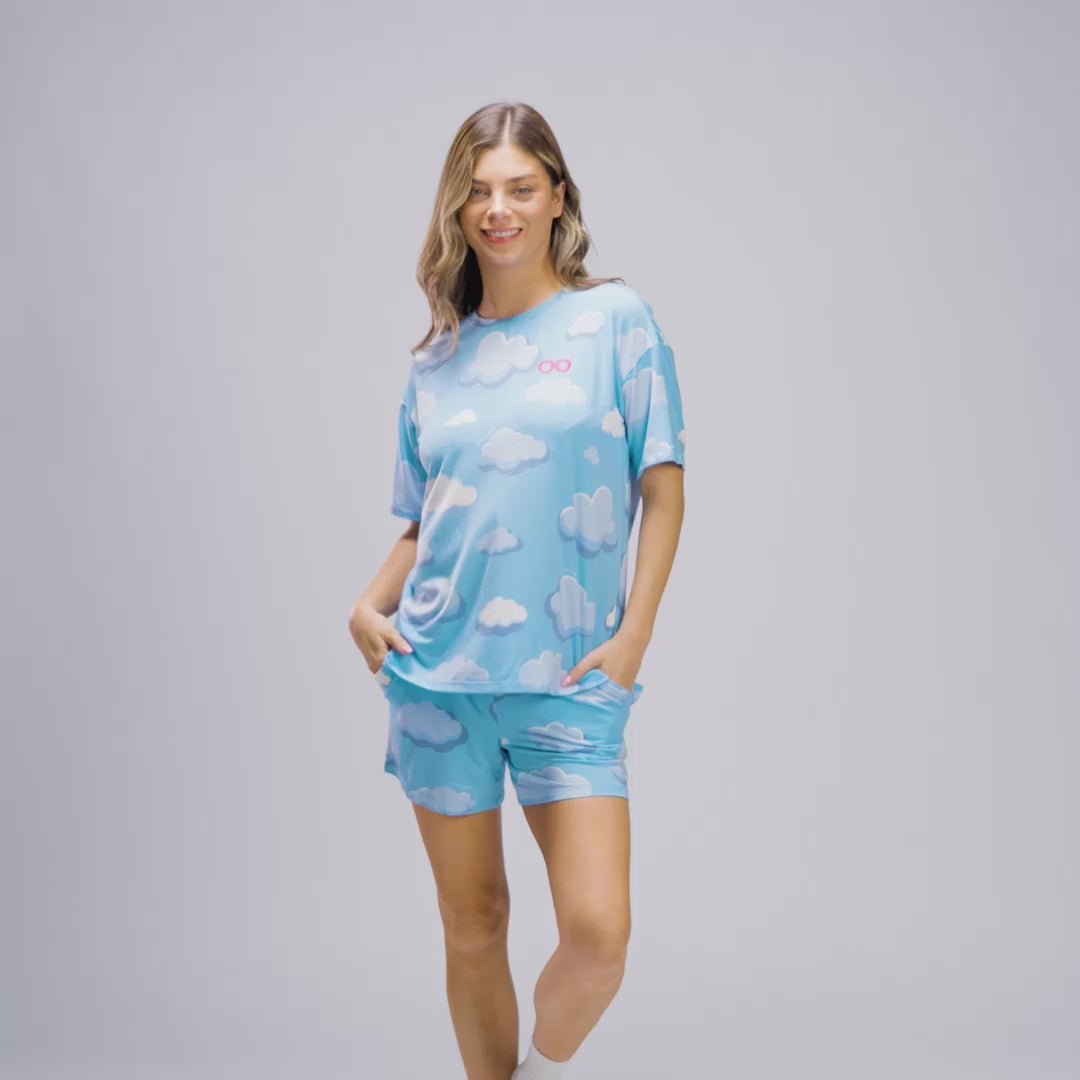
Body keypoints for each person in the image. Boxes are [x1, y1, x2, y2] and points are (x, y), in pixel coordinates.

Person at [348, 101, 687, 1080]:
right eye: (479, 192)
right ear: (458, 211)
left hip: (569, 678)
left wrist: (634, 636)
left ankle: (539, 1070)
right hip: (438, 678)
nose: (498, 209)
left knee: (598, 935)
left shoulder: (616, 321)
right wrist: (367, 604)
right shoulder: (435, 361)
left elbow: (663, 488)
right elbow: (431, 516)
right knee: (474, 924)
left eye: (520, 189)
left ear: (557, 199)